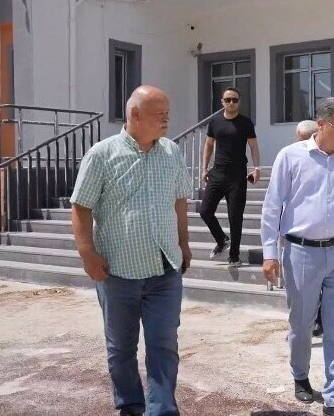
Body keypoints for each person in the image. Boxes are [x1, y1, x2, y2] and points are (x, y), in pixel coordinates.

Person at [70, 85, 192, 416]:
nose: (166, 120)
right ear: (135, 115)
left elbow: (179, 200)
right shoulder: (102, 155)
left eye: (168, 113)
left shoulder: (171, 152)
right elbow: (81, 207)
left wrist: (184, 243)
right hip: (117, 272)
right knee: (121, 349)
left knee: (164, 345)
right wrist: (87, 254)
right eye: (159, 114)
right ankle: (130, 406)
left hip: (164, 270)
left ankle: (162, 410)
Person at [261, 98, 334, 416]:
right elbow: (272, 206)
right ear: (321, 125)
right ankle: (300, 375)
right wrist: (269, 253)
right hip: (301, 252)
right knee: (302, 323)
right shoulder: (291, 156)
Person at [200, 87, 261, 267]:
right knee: (205, 211)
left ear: (239, 102)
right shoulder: (215, 122)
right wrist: (204, 168)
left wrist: (256, 168)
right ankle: (221, 239)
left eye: (234, 100)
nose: (231, 103)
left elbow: (253, 146)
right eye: (228, 100)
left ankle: (234, 255)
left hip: (237, 175)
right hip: (217, 173)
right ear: (222, 102)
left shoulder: (245, 123)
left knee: (235, 217)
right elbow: (208, 145)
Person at [294, 119, 325, 338]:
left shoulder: (331, 162)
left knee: (319, 286)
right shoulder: (292, 159)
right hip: (300, 238)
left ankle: (317, 321)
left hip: (325, 238)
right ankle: (304, 324)